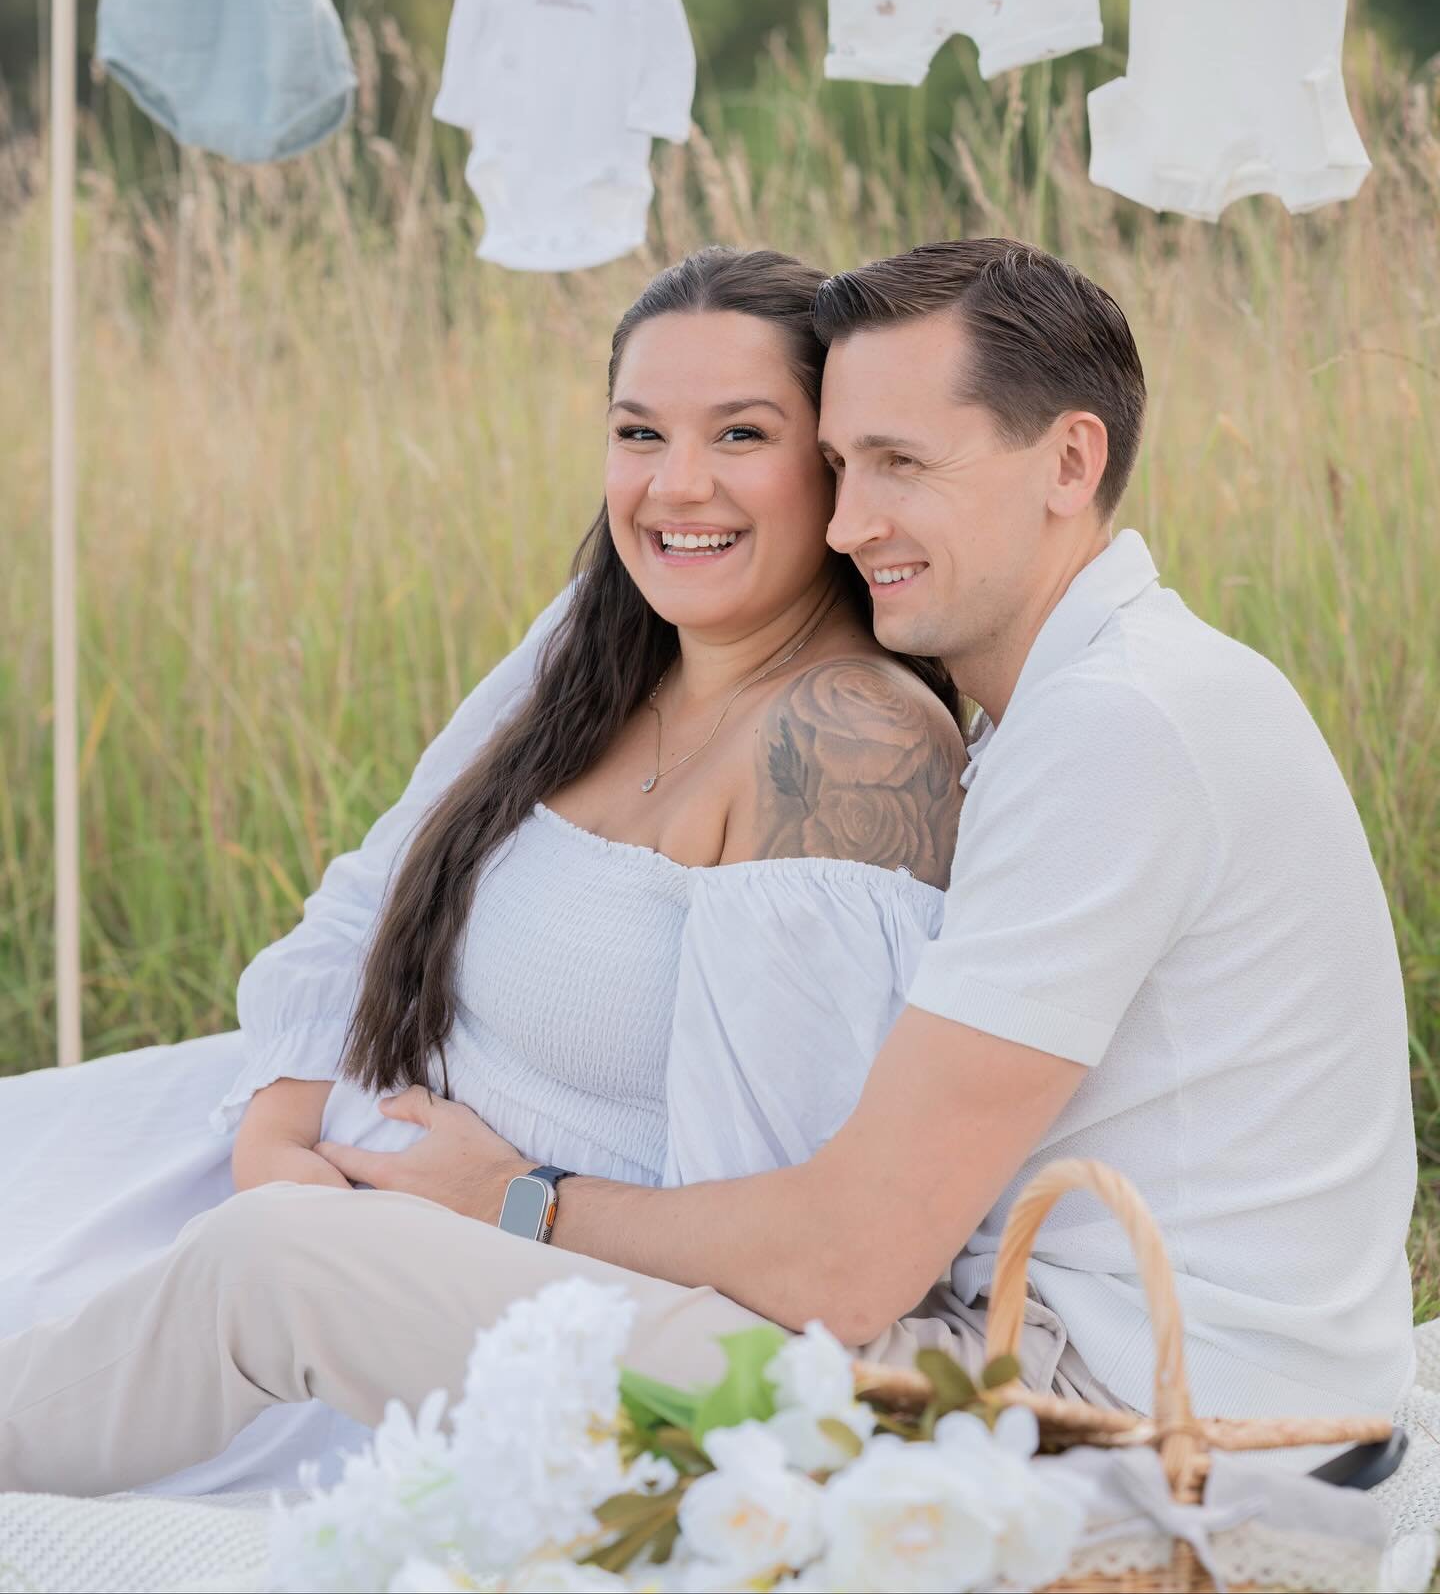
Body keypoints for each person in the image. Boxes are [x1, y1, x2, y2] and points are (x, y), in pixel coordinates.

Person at [1, 238, 1417, 1498]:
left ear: (1069, 462)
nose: (851, 522)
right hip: (1040, 1355)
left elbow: (846, 1265)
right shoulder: (1078, 697)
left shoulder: (1113, 725)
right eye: (844, 465)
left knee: (277, 1265)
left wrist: (512, 1196)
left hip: (1121, 1426)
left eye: (900, 464)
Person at [0, 245, 969, 1495]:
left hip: (449, 1304)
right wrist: (278, 1135)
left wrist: (496, 1206)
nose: (675, 484)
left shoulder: (842, 743)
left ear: (833, 466)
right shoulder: (605, 633)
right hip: (279, 1158)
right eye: (638, 431)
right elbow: (372, 887)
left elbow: (762, 1231)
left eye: (741, 433)